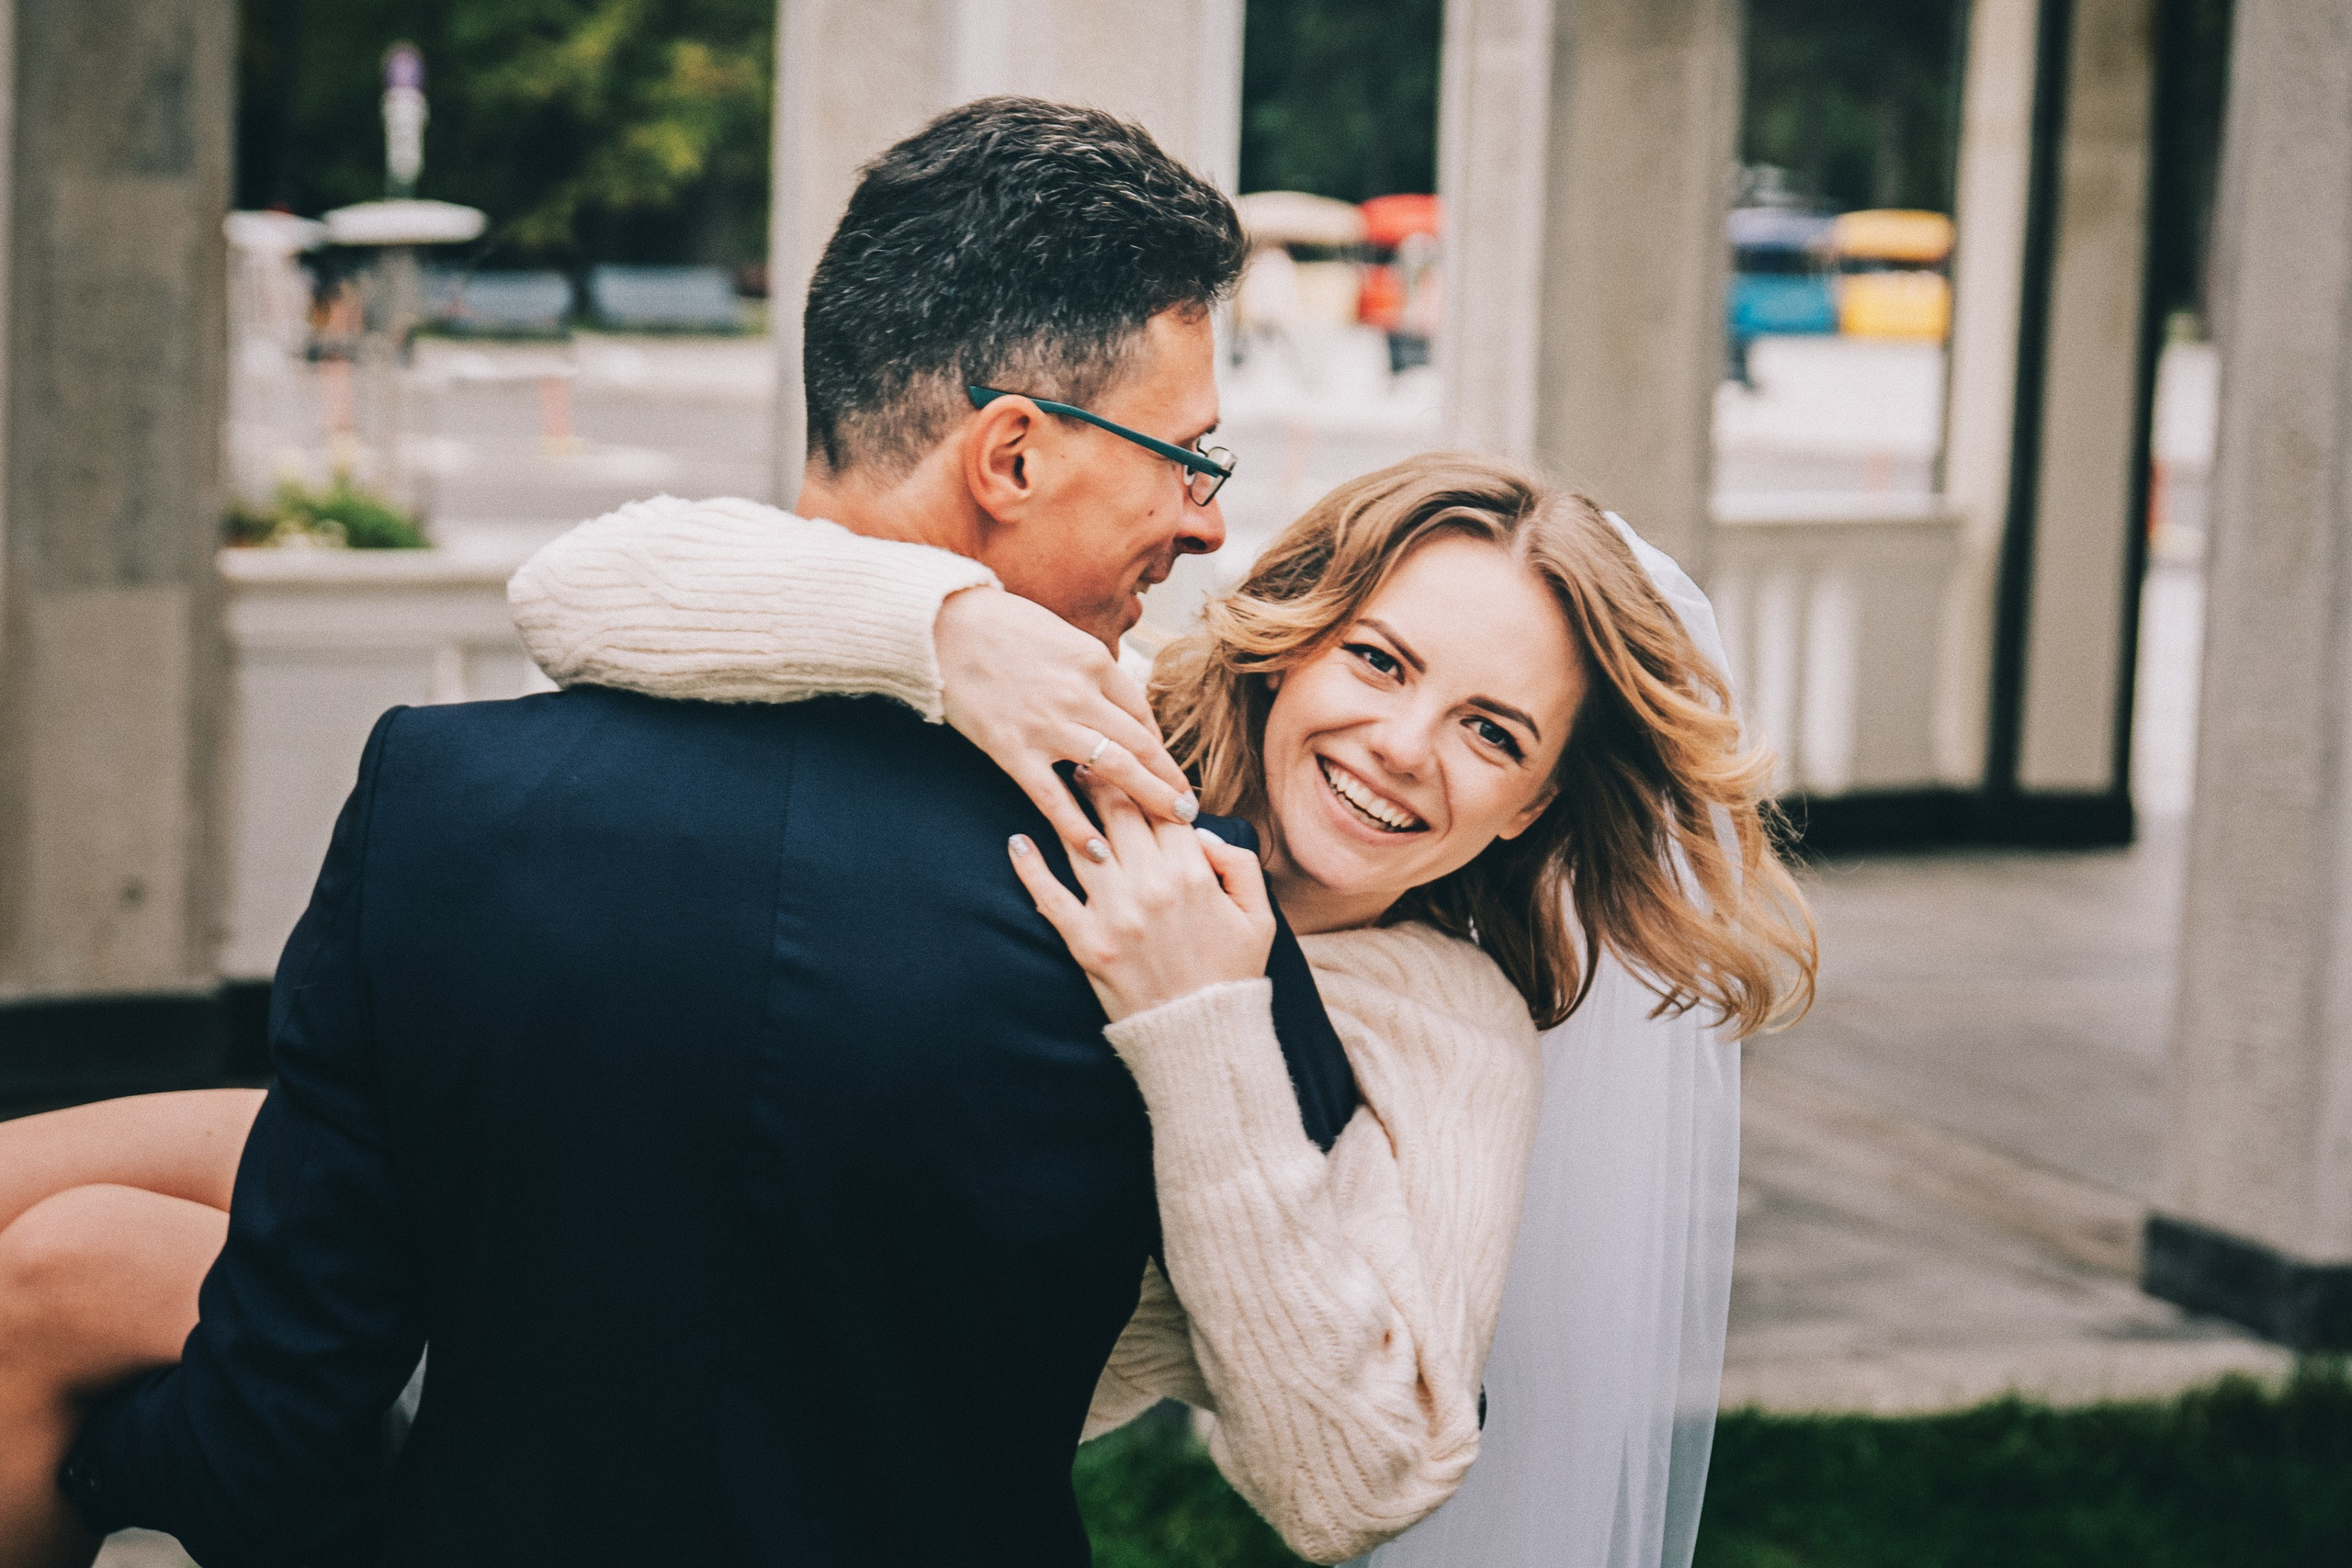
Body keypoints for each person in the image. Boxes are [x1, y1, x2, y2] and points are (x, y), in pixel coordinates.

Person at [0, 98, 1373, 1568]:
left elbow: (272, 1446)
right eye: (1187, 458)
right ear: (1013, 456)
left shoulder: (436, 804)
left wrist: (90, 1459)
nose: (1208, 522)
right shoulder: (1180, 919)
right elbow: (1332, 1414)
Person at [495, 447, 1816, 1566]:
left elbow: (1357, 1480)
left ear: (1530, 804)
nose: (1405, 748)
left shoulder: (1443, 1033)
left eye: (1492, 732)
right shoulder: (1082, 728)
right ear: (1296, 642)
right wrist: (953, 631)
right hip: (532, 1372)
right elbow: (570, 592)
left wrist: (1204, 1023)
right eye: (1379, 661)